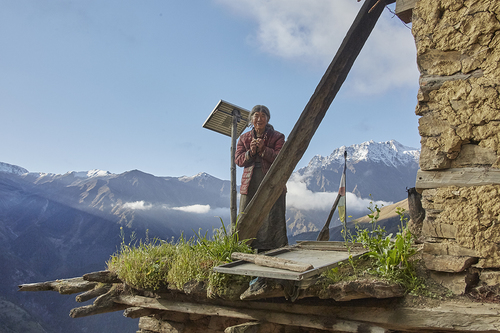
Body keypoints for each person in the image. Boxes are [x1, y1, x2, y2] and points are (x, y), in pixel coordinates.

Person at [235, 105, 288, 252]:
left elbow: (281, 158)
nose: (259, 119)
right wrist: (250, 153)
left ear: (268, 119)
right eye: (256, 116)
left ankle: (274, 248)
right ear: (251, 119)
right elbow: (238, 160)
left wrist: (264, 150)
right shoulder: (244, 138)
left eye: (263, 116)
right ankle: (245, 247)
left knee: (272, 213)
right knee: (247, 213)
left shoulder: (277, 137)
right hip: (250, 182)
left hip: (271, 181)